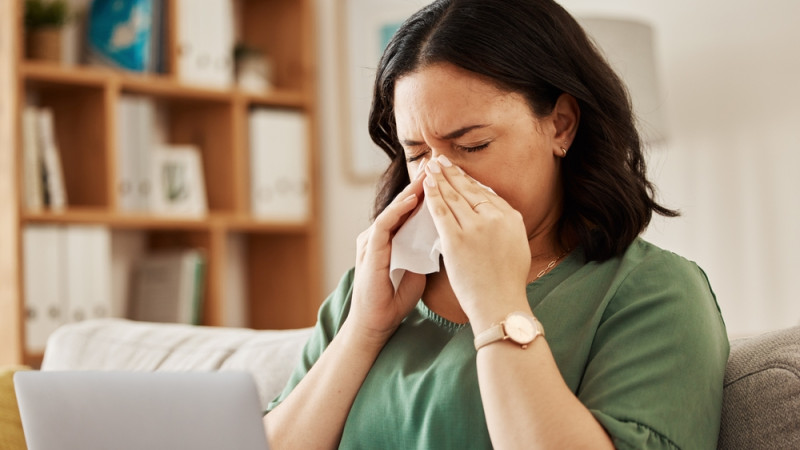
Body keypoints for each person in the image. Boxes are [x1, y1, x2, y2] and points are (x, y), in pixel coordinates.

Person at [265, 0, 729, 448]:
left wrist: (498, 304)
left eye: (472, 146)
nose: (438, 178)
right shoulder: (370, 290)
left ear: (561, 125)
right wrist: (364, 330)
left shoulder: (654, 292)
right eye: (418, 153)